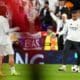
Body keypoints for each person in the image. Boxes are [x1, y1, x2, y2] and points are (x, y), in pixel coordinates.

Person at [0, 6, 19, 76]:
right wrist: (15, 28)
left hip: (0, 41)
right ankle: (13, 71)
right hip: (6, 41)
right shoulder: (4, 20)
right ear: (4, 11)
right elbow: (7, 31)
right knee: (11, 55)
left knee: (0, 57)